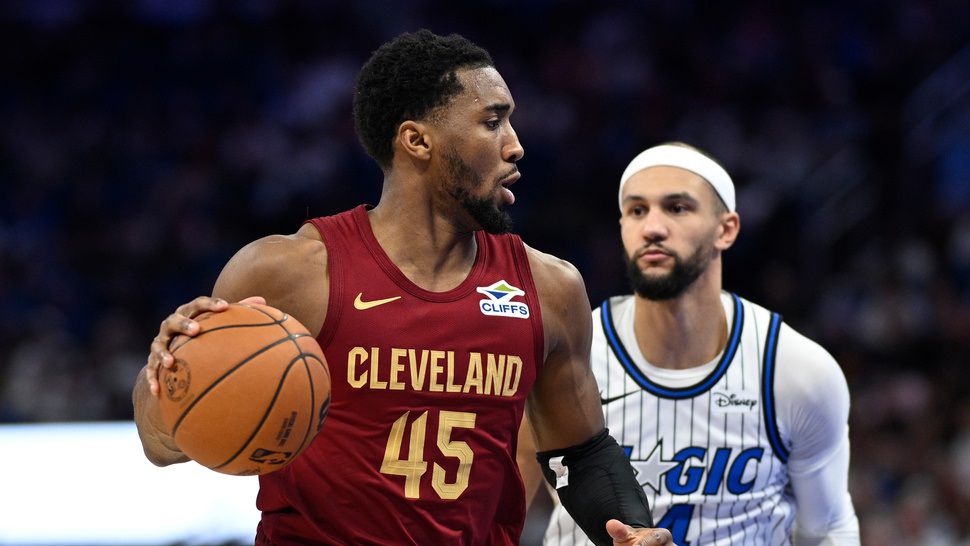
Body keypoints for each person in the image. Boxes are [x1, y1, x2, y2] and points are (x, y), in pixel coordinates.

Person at [132, 30, 674, 546]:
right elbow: (162, 443)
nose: (516, 147)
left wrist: (633, 528)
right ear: (417, 140)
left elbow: (581, 454)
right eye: (493, 123)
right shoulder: (288, 272)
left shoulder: (550, 288)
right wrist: (171, 373)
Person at [522, 142, 860, 545]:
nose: (653, 227)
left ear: (727, 229)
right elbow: (497, 512)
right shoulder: (564, 353)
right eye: (636, 210)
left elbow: (828, 529)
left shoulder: (798, 369)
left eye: (677, 207)